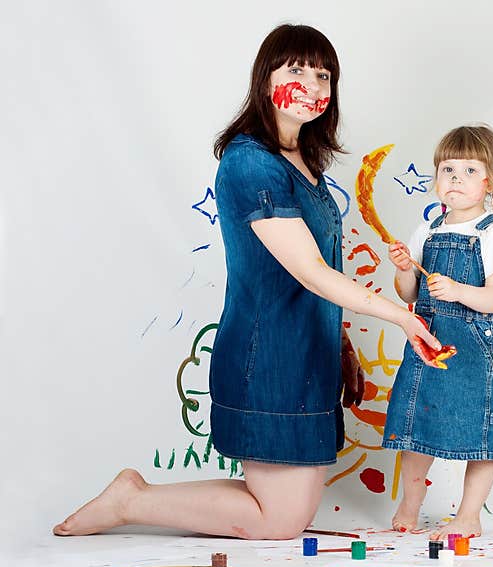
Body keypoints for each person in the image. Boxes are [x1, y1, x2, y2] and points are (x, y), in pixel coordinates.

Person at [52, 23, 440, 540]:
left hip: (308, 350)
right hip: (270, 352)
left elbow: (318, 267)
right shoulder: (249, 163)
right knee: (279, 520)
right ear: (265, 78)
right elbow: (311, 271)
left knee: (287, 514)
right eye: (296, 69)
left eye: (324, 75)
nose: (312, 85)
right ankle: (131, 500)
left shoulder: (303, 163)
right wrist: (401, 316)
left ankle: (134, 498)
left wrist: (340, 342)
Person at [382, 124, 493, 541]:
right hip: (428, 343)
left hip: (475, 349)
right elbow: (407, 293)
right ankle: (411, 501)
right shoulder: (429, 229)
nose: (456, 179)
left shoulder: (491, 232)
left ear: (489, 181)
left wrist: (458, 290)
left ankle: (469, 514)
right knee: (417, 423)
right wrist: (405, 268)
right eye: (448, 169)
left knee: (480, 431)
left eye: (470, 170)